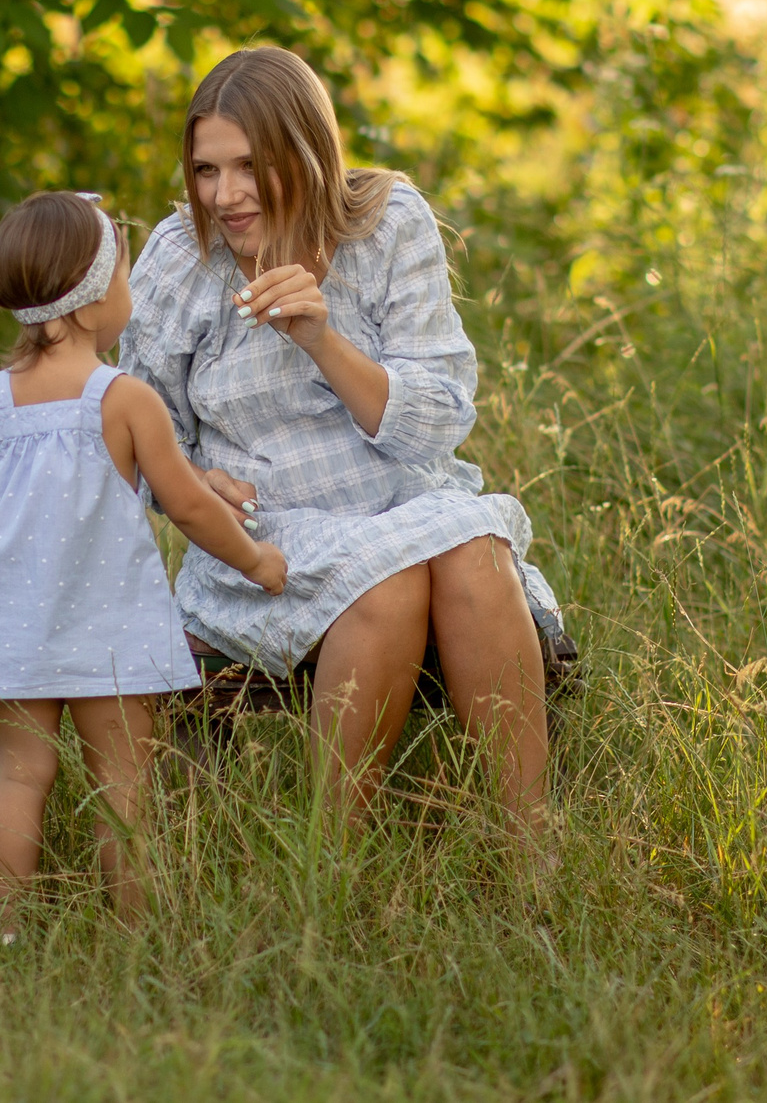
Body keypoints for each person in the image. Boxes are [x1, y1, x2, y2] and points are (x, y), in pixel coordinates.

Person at [122, 47, 564, 840]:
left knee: (475, 546)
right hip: (271, 537)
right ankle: (333, 858)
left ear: (305, 148)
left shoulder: (389, 224)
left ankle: (533, 850)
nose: (226, 196)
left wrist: (322, 337)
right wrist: (193, 479)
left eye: (251, 166)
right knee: (388, 581)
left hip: (409, 501)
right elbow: (141, 440)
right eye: (206, 170)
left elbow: (437, 420)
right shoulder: (181, 259)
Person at [0, 189, 288, 928]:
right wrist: (257, 562)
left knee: (20, 773)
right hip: (112, 630)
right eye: (125, 277)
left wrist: (2, 576)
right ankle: (133, 930)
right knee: (123, 781)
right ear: (96, 302)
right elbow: (190, 505)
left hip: (15, 627)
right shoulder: (123, 401)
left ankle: (4, 928)